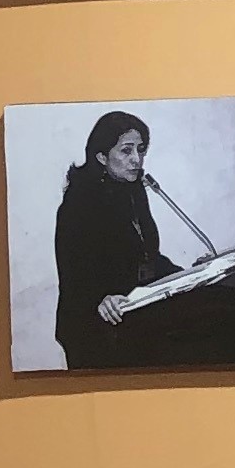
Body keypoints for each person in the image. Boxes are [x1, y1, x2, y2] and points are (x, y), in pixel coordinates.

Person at [53, 109, 166, 368]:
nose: (137, 159)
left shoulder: (133, 190)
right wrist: (100, 299)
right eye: (126, 151)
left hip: (131, 309)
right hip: (91, 324)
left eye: (140, 149)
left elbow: (146, 255)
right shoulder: (78, 203)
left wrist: (190, 275)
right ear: (102, 157)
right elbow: (73, 273)